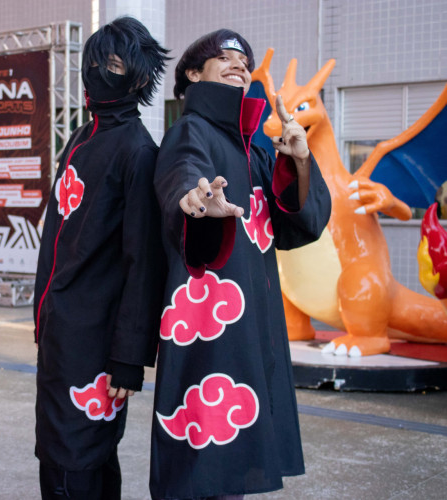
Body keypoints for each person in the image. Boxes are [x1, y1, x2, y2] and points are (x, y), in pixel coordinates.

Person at [150, 30, 331, 499]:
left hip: (253, 325)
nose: (238, 64)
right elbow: (182, 172)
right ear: (193, 73)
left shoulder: (257, 148)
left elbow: (300, 224)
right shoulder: (191, 131)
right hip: (208, 326)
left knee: (235, 461)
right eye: (224, 57)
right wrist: (193, 199)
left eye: (244, 61)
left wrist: (301, 160)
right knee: (206, 467)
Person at [33, 16, 169, 500]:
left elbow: (143, 261)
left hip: (97, 338)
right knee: (58, 454)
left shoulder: (138, 150)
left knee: (78, 457)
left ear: (137, 78)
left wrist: (130, 359)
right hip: (59, 332)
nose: (98, 73)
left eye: (112, 65)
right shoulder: (79, 139)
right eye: (94, 62)